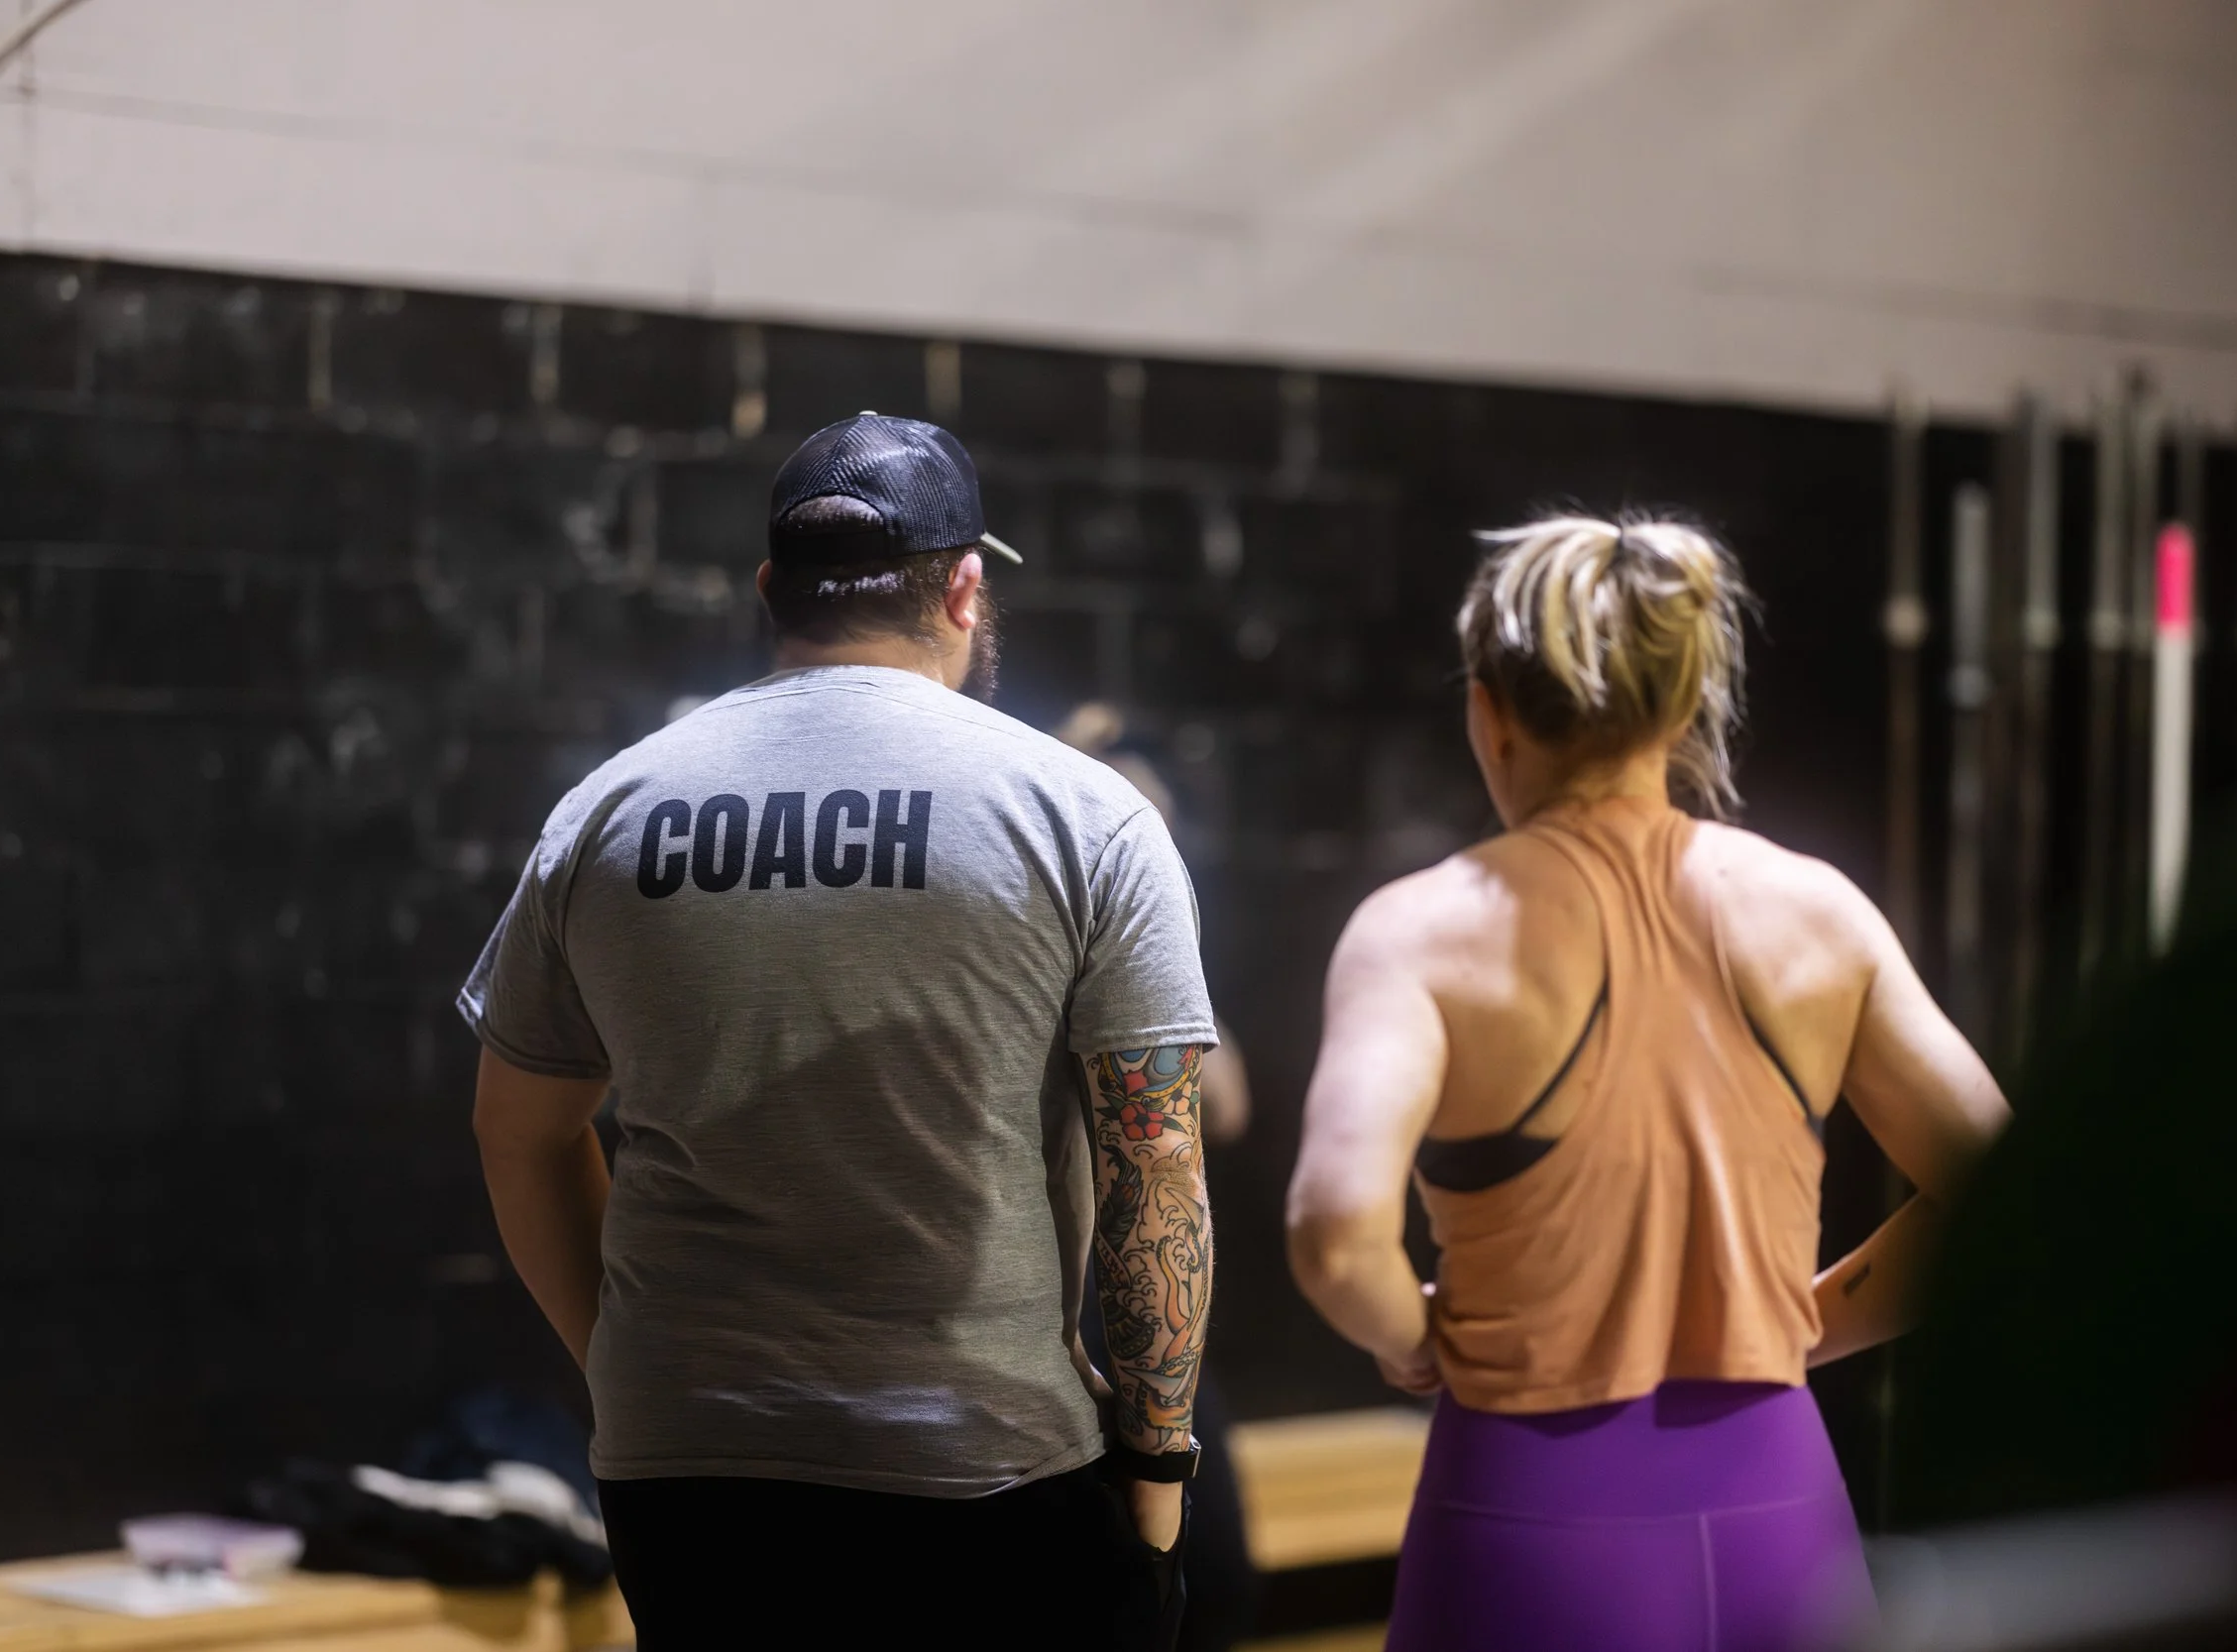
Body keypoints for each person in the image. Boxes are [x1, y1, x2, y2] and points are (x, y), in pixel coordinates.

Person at [462, 413, 1218, 1650]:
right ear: (965, 585)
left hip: (688, 1472)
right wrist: (1156, 1467)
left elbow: (518, 1131)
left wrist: (633, 1363)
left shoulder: (607, 810)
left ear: (772, 589)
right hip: (990, 1468)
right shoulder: (1085, 816)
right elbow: (1157, 1166)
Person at [1286, 513, 2011, 1652]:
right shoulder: (1817, 911)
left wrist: (1408, 1331)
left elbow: (1334, 1237)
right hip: (1783, 1512)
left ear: (1488, 710)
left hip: (1529, 1512)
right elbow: (2006, 1193)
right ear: (1682, 711)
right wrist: (1790, 1325)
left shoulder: (1422, 931)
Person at [1056, 702, 1261, 1652]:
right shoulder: (1042, 905)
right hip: (1064, 1289)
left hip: (1149, 1282)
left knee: (1211, 1571)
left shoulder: (1160, 939)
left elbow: (1226, 1107)